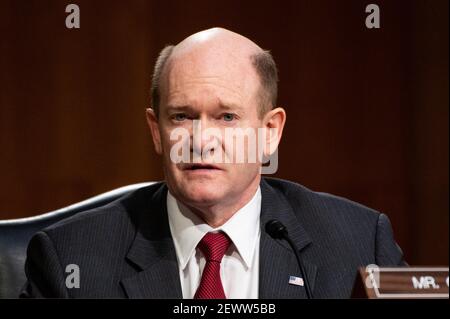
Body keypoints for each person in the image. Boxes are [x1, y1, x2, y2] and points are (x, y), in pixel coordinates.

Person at [21, 27, 405, 299]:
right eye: (182, 116)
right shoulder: (70, 259)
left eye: (227, 118)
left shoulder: (358, 245)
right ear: (157, 131)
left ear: (269, 131)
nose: (201, 141)